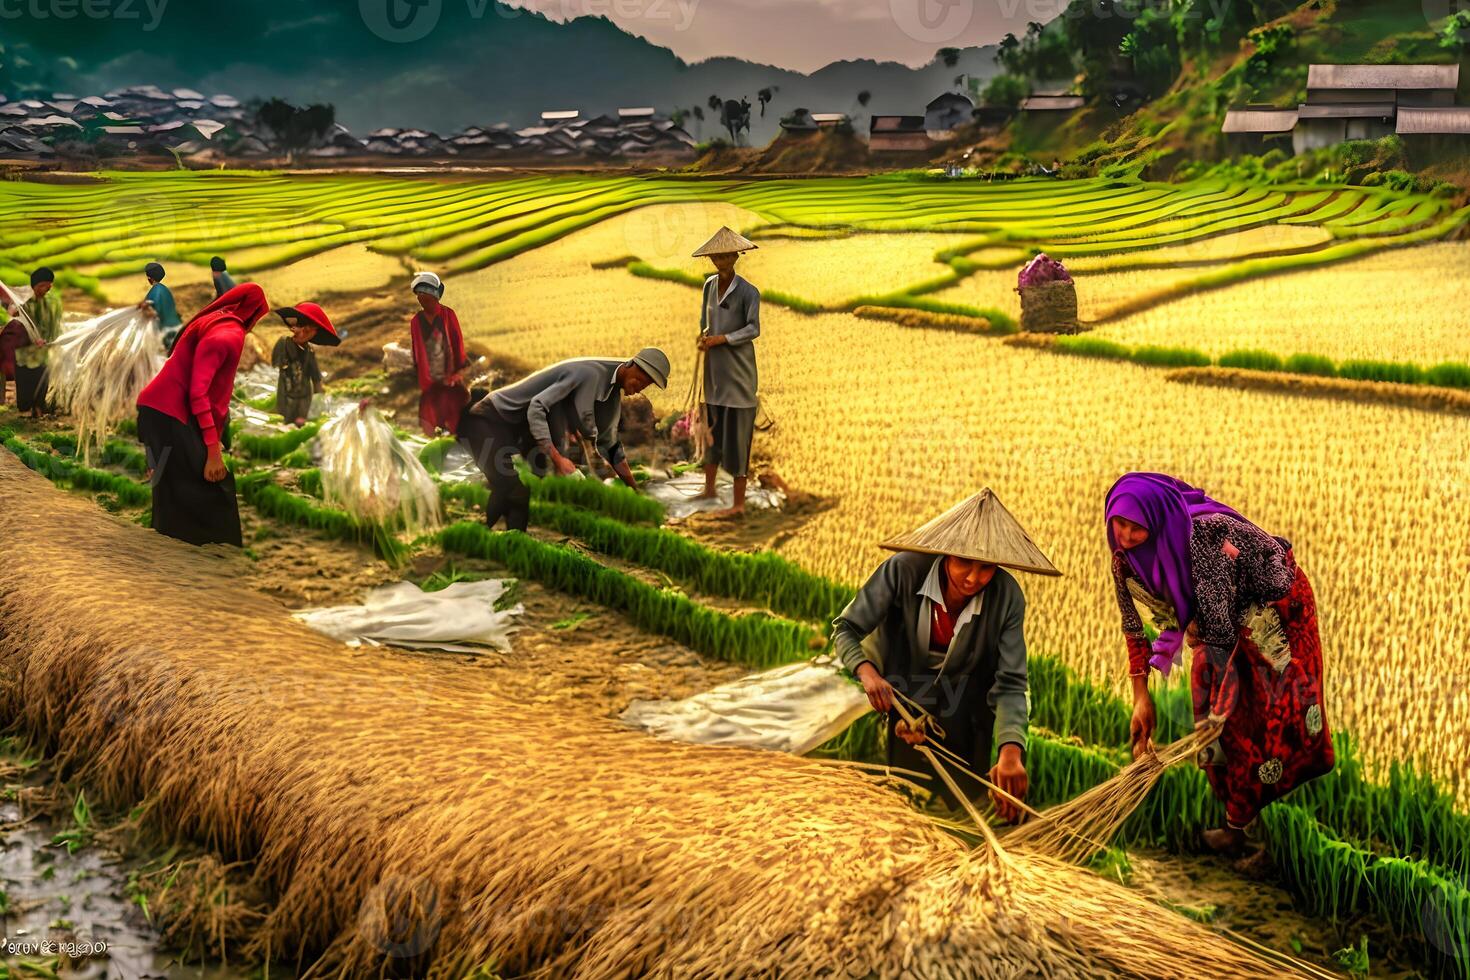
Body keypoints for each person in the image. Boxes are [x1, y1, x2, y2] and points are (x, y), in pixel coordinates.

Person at [1107, 472, 1334, 855]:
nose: (1126, 537)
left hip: (1275, 611)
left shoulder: (1206, 541)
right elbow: (1134, 629)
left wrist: (1223, 707)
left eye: (1137, 528)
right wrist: (1140, 699)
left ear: (1159, 522)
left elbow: (1220, 637)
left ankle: (1254, 826)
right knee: (1212, 721)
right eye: (1120, 524)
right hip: (1218, 618)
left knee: (1256, 719)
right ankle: (1238, 821)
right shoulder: (1124, 562)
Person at [832, 488, 1060, 820]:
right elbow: (846, 629)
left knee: (965, 814)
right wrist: (867, 671)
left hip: (968, 716)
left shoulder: (1007, 596)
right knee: (905, 804)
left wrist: (1011, 752)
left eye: (986, 567)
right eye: (964, 561)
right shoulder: (903, 571)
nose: (973, 577)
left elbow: (1011, 682)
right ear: (945, 552)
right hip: (905, 704)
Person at [458, 349, 669, 532]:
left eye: (646, 385)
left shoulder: (610, 395)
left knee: (518, 487)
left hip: (520, 431)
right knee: (514, 491)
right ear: (631, 364)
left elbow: (611, 444)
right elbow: (537, 407)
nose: (640, 387)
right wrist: (558, 459)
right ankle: (499, 539)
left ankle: (487, 535)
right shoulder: (588, 373)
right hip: (489, 420)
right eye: (640, 380)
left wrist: (633, 489)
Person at [135, 284, 270, 547]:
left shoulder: (215, 322)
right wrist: (213, 449)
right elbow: (199, 393)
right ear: (254, 312)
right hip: (171, 412)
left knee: (170, 484)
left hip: (157, 410)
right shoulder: (228, 335)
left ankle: (169, 546)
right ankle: (216, 552)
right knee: (213, 482)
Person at [690, 226, 761, 519]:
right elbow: (704, 321)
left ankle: (738, 503)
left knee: (738, 436)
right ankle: (709, 489)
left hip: (739, 375)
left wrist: (723, 339)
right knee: (711, 433)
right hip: (714, 374)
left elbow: (753, 328)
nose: (720, 260)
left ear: (736, 255)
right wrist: (704, 336)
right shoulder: (708, 286)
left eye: (725, 255)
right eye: (716, 256)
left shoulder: (748, 292)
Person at [408, 271, 469, 436]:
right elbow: (417, 350)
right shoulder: (416, 321)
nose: (420, 297)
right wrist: (422, 374)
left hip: (450, 377)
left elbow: (457, 343)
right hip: (430, 379)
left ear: (434, 294)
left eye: (423, 293)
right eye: (418, 294)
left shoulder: (448, 314)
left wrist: (457, 372)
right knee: (433, 416)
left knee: (456, 411)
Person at [271, 302, 339, 425]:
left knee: (302, 426)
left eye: (308, 331)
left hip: (304, 399)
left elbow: (316, 377)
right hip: (286, 396)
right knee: (284, 424)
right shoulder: (284, 344)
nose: (303, 333)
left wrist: (320, 401)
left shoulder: (310, 351)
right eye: (301, 328)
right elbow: (276, 368)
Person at [14, 267, 63, 417]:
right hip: (25, 351)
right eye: (42, 285)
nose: (45, 289)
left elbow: (56, 323)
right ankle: (27, 408)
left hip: (45, 350)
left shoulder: (54, 302)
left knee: (42, 379)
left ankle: (39, 407)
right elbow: (19, 324)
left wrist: (54, 341)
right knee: (25, 380)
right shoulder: (23, 303)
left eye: (48, 285)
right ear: (33, 286)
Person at [139, 261, 184, 351]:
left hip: (165, 330)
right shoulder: (165, 289)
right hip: (177, 326)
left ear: (149, 278)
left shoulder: (155, 291)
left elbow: (154, 312)